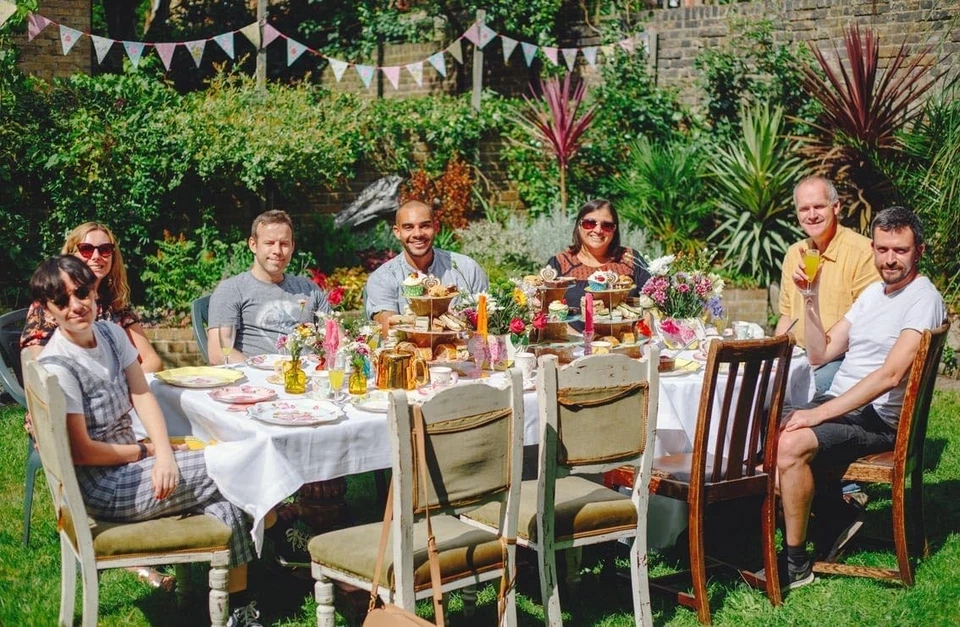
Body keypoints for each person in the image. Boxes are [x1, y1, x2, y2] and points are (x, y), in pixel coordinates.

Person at [30, 256, 262, 626]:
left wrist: (165, 455)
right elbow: (83, 452)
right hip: (104, 486)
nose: (76, 306)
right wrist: (150, 451)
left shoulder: (110, 333)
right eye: (62, 301)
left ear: (94, 291)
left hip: (133, 467)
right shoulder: (60, 365)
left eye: (82, 293)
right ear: (48, 309)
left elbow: (142, 394)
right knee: (236, 463)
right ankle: (257, 572)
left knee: (228, 490)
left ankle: (234, 606)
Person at [774, 206, 945, 590]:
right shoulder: (873, 293)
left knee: (790, 443)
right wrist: (811, 299)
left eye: (900, 250)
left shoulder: (923, 298)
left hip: (878, 422)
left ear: (919, 250)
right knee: (761, 430)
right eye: (883, 249)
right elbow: (821, 353)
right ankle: (833, 513)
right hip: (846, 407)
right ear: (873, 247)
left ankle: (796, 563)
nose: (889, 259)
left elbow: (890, 375)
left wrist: (817, 416)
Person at [775, 177, 878, 395]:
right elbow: (786, 317)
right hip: (799, 355)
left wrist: (815, 361)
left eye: (819, 206)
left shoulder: (861, 252)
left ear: (836, 207)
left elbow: (864, 322)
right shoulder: (795, 253)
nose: (811, 215)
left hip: (840, 359)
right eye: (804, 209)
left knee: (788, 392)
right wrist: (774, 359)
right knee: (757, 386)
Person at [21, 222, 163, 372]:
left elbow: (152, 361)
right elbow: (40, 372)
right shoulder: (52, 304)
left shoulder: (115, 303)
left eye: (105, 250)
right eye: (86, 249)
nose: (96, 256)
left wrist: (125, 387)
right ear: (70, 255)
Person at [207, 210, 329, 364]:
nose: (277, 251)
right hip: (257, 379)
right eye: (269, 243)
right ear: (253, 245)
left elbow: (336, 340)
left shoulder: (309, 289)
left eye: (284, 244)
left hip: (308, 378)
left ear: (292, 246)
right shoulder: (232, 290)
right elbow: (218, 353)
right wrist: (264, 371)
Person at [364, 200, 488, 333]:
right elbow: (390, 333)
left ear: (436, 227)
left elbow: (486, 323)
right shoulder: (383, 278)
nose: (417, 234)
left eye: (425, 226)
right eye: (408, 227)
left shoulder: (467, 268)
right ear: (397, 232)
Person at [546, 199, 651, 323]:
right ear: (579, 226)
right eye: (589, 223)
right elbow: (545, 311)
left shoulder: (630, 258)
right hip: (573, 340)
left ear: (614, 230)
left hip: (627, 340)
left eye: (607, 225)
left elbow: (652, 302)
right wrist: (575, 338)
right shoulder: (560, 263)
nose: (598, 230)